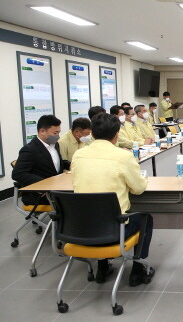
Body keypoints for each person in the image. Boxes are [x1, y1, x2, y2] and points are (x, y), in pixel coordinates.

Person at [71, 113, 154, 286]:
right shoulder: (123, 156)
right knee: (146, 219)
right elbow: (138, 189)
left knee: (97, 210)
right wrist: (143, 179)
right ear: (117, 134)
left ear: (92, 134)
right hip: (115, 230)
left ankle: (103, 267)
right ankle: (138, 270)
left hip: (81, 227)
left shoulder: (79, 155)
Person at [12, 115, 70, 206]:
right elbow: (18, 173)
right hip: (41, 195)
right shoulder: (30, 150)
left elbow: (54, 163)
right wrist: (43, 184)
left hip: (57, 189)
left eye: (59, 133)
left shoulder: (55, 144)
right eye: (55, 133)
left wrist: (69, 164)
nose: (58, 136)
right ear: (42, 131)